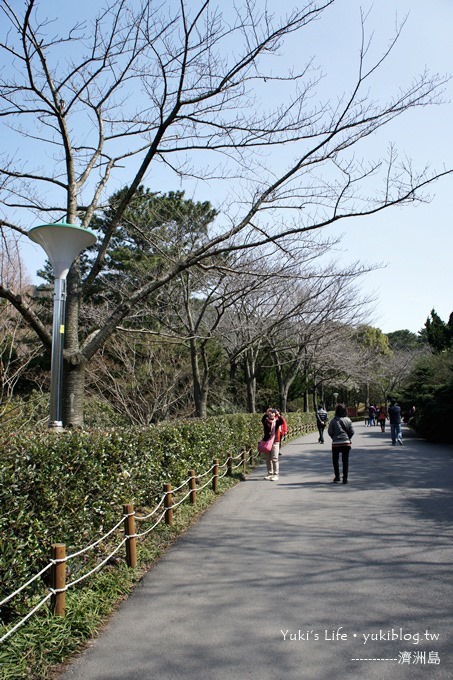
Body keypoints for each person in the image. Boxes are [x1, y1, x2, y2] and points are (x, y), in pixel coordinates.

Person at [327, 403, 354, 484]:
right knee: (345, 461)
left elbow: (330, 432)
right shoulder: (348, 420)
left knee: (335, 460)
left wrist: (334, 438)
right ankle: (345, 478)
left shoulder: (333, 420)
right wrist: (348, 438)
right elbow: (352, 431)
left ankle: (337, 476)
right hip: (346, 443)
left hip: (336, 443)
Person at [261, 407, 286, 481]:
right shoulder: (266, 422)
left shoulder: (277, 421)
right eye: (270, 413)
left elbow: (282, 421)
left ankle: (276, 474)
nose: (271, 414)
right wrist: (266, 413)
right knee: (268, 459)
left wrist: (278, 414)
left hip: (275, 442)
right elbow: (262, 419)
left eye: (273, 413)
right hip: (267, 442)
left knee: (274, 458)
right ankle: (270, 473)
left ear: (275, 414)